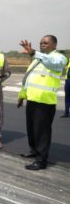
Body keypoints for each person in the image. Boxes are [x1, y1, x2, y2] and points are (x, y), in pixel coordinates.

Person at [18, 35, 67, 170]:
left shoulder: (59, 58)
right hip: (32, 100)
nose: (42, 45)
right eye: (40, 43)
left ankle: (41, 160)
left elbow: (53, 63)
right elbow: (28, 78)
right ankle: (33, 150)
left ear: (54, 45)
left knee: (42, 132)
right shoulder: (37, 59)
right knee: (32, 129)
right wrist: (22, 95)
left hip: (45, 102)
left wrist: (34, 53)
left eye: (45, 43)